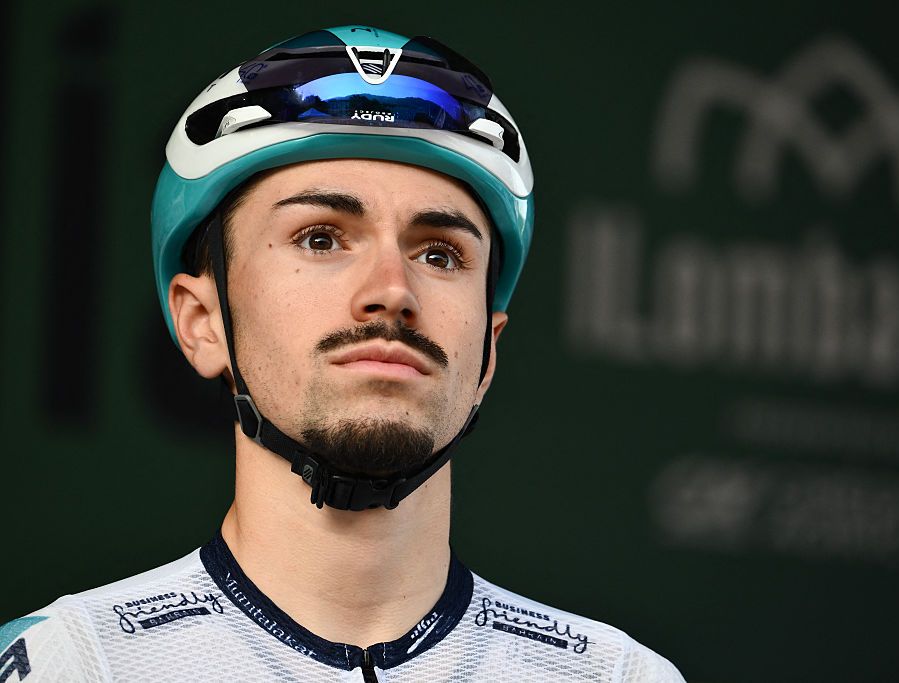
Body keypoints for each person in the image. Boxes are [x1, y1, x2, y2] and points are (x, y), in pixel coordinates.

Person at [0, 25, 684, 682]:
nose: (392, 291)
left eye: (440, 253)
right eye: (321, 238)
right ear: (203, 320)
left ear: (488, 353)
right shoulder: (76, 664)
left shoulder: (618, 675)